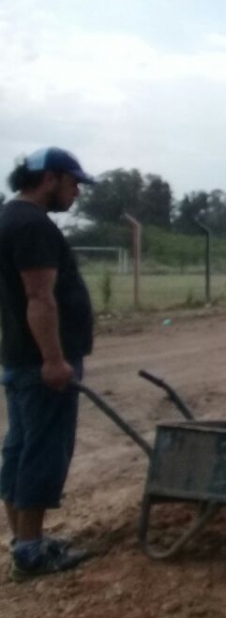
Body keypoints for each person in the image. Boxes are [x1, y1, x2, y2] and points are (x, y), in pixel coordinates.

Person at [1, 147, 96, 580]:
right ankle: (33, 552)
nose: (77, 192)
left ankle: (23, 542)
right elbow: (40, 297)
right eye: (73, 182)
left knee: (20, 448)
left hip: (18, 357)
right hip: (42, 364)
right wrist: (54, 359)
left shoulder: (8, 218)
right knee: (42, 451)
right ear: (50, 178)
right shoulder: (33, 226)